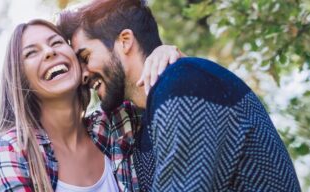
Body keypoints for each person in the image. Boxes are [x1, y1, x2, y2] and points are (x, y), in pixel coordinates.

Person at [59, 0, 301, 191]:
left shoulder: (184, 83)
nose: (82, 75)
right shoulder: (140, 122)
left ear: (125, 41)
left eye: (85, 57)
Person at [0, 19, 181, 191]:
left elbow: (175, 105)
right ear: (21, 80)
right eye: (31, 53)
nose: (49, 52)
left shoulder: (115, 124)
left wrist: (164, 56)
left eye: (56, 42)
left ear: (80, 64)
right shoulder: (13, 148)